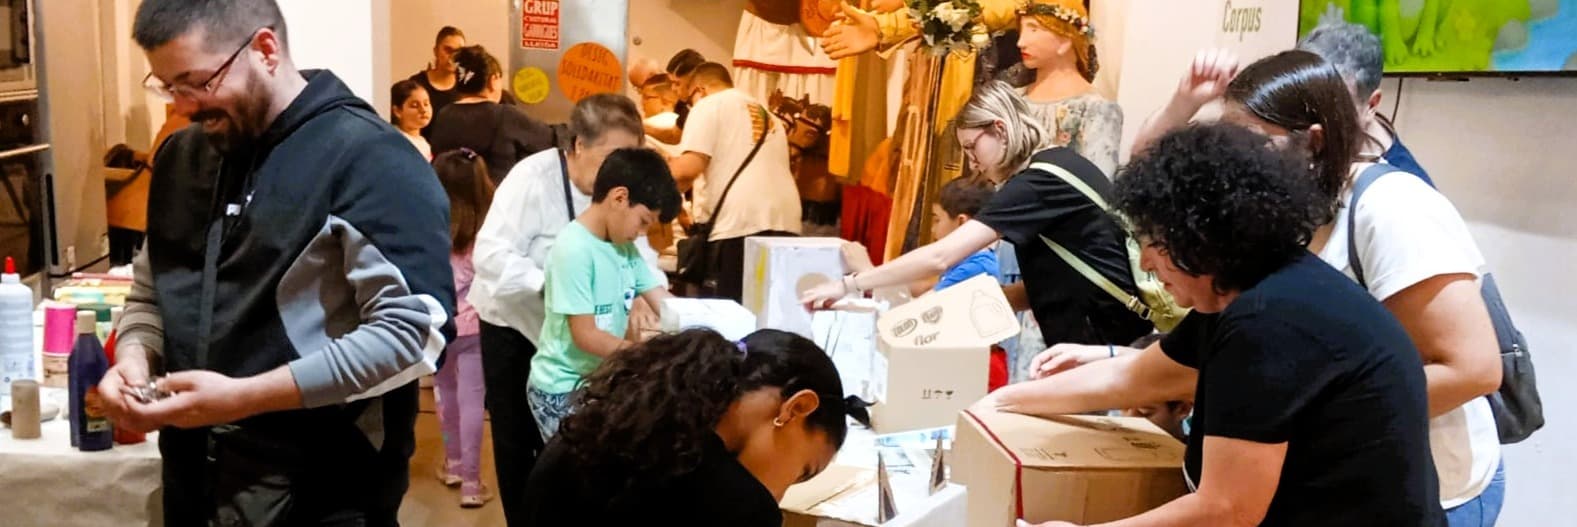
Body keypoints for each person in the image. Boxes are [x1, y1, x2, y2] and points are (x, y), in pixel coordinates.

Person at [101, 1, 455, 525]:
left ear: (265, 49)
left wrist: (242, 399)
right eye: (168, 86)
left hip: (325, 487)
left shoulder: (369, 157)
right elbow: (153, 295)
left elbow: (414, 334)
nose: (183, 106)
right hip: (195, 478)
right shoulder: (181, 157)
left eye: (198, 81)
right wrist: (134, 356)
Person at [1000, 123, 1443, 527]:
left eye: (1153, 243)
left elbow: (1228, 510)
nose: (1149, 264)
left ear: (1202, 237)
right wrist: (1004, 404)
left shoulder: (1270, 320)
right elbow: (1132, 375)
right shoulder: (1243, 294)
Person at [1135, 50, 1505, 527]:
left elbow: (1475, 369)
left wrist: (1306, 412)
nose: (1229, 157)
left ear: (1311, 141)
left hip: (1432, 480)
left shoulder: (1390, 209)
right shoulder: (1273, 219)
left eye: (1246, 140)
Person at [802, 81, 1151, 358]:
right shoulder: (1058, 165)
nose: (972, 162)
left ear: (1000, 130)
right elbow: (1057, 280)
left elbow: (941, 255)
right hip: (1100, 343)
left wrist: (850, 284)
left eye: (972, 148)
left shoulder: (1038, 181)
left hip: (1107, 344)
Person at [469, 93, 667, 524]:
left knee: (576, 450)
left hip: (579, 345)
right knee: (516, 442)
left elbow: (640, 254)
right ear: (576, 145)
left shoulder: (621, 192)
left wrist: (646, 300)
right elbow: (491, 256)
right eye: (613, 155)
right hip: (516, 326)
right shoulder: (532, 178)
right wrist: (557, 288)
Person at [522, 328, 848, 526]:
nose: (783, 493)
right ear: (796, 409)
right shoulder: (738, 506)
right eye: (804, 470)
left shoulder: (620, 425)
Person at [529, 148, 682, 440]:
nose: (641, 233)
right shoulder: (573, 249)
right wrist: (652, 354)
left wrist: (699, 326)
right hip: (560, 388)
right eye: (643, 221)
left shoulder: (623, 248)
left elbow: (662, 300)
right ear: (619, 198)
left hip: (595, 380)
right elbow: (585, 335)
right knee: (586, 472)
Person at [668, 62, 802, 301]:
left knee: (733, 314)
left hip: (739, 222)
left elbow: (689, 167)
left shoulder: (709, 105)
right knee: (771, 309)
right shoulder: (766, 112)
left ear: (700, 89)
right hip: (787, 220)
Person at [1297, 20, 1434, 186]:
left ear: (1371, 105)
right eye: (1302, 100)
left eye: (1332, 108)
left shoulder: (1405, 194)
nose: (1310, 123)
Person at [431, 149, 493, 508]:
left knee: (445, 396)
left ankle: (452, 463)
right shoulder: (486, 232)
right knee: (473, 401)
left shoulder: (430, 228)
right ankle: (472, 481)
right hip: (475, 330)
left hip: (438, 327)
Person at [1015, 0, 1122, 179]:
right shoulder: (1014, 99)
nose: (1021, 42)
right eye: (1022, 30)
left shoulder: (1096, 110)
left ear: (1065, 39)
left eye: (1033, 29)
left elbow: (1097, 182)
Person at [428, 45, 555, 184]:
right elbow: (553, 139)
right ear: (493, 80)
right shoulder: (505, 115)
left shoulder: (444, 115)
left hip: (450, 201)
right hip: (494, 202)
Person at [408, 25, 466, 139]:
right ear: (436, 51)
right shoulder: (416, 84)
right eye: (448, 50)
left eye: (459, 52)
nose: (453, 57)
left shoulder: (467, 86)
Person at [390, 79, 432, 160]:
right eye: (415, 105)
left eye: (426, 104)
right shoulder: (398, 142)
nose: (423, 110)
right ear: (397, 111)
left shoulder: (422, 141)